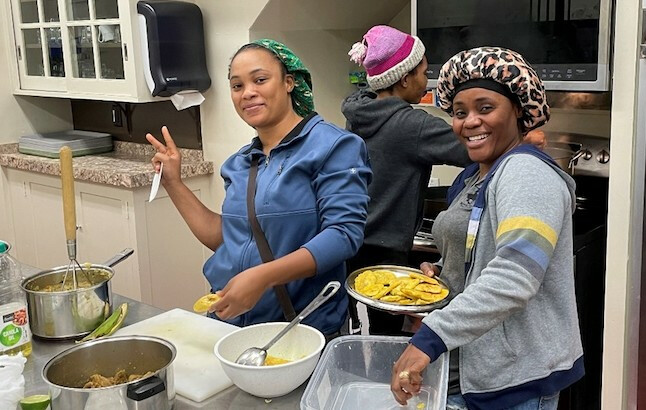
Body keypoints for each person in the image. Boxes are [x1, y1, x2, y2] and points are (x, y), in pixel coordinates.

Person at [391, 46, 584, 410]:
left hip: (515, 379)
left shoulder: (526, 173)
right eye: (460, 112)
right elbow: (481, 260)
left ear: (518, 111)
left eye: (485, 108)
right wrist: (442, 279)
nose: (469, 122)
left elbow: (514, 277)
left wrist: (429, 339)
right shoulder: (473, 178)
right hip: (472, 366)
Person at [145, 39, 372, 339]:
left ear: (289, 82)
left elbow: (343, 235)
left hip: (302, 330)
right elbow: (229, 238)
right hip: (230, 325)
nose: (247, 92)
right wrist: (174, 182)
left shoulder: (334, 147)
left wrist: (262, 278)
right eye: (237, 86)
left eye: (260, 80)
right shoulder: (238, 163)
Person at [343, 25, 471, 336]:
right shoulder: (412, 125)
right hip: (386, 247)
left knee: (360, 331)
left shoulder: (359, 110)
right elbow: (473, 149)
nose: (427, 80)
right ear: (404, 78)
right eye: (424, 72)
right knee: (386, 337)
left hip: (350, 239)